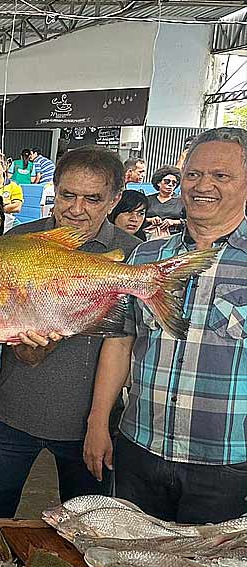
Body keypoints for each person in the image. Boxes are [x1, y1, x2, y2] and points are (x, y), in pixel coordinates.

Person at [85, 127, 247, 524]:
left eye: (221, 176)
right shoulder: (146, 255)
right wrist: (97, 422)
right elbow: (121, 343)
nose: (203, 185)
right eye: (193, 174)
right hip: (141, 446)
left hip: (227, 463)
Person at [0, 146, 141, 519]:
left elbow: (123, 340)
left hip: (89, 424)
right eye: (67, 195)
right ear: (54, 189)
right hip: (12, 413)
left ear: (115, 199)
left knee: (87, 525)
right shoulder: (20, 241)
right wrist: (22, 345)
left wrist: (98, 422)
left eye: (92, 199)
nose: (76, 208)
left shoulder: (133, 255)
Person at [146, 166, 186, 236]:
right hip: (147, 236)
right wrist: (150, 220)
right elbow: (137, 217)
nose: (170, 184)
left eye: (174, 183)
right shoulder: (148, 200)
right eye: (167, 181)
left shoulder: (182, 201)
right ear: (158, 183)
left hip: (174, 237)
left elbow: (191, 222)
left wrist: (174, 222)